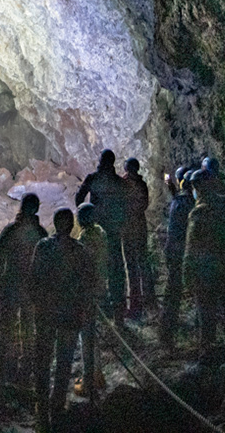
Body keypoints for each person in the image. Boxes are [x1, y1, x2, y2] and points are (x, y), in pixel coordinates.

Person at [31, 208, 93, 432]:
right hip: (69, 314)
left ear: (56, 223)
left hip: (47, 313)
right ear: (71, 225)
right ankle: (57, 404)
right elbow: (87, 283)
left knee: (43, 359)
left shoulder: (43, 247)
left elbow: (34, 279)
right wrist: (83, 309)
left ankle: (41, 406)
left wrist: (37, 305)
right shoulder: (80, 250)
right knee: (64, 361)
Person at [184, 164, 225, 364]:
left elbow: (191, 249)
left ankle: (207, 357)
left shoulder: (199, 214)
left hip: (206, 274)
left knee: (206, 316)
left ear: (198, 189)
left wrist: (188, 276)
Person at [0, 192, 48, 382]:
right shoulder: (41, 233)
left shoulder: (11, 230)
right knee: (28, 326)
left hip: (12, 283)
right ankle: (26, 366)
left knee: (6, 325)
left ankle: (1, 365)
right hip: (32, 287)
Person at [75, 149, 128, 324]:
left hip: (95, 230)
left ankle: (98, 310)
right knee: (116, 268)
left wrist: (88, 216)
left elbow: (79, 199)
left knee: (93, 267)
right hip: (113, 230)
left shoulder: (93, 178)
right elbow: (125, 205)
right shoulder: (119, 182)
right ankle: (118, 311)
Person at [74, 202, 108, 399]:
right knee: (92, 335)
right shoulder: (101, 233)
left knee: (86, 337)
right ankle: (97, 374)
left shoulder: (85, 239)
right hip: (100, 289)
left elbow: (83, 268)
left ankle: (89, 381)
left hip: (88, 293)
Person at [160, 163, 195, 349]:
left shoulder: (179, 203)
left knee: (172, 292)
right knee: (176, 292)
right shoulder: (189, 204)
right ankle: (168, 334)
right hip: (183, 253)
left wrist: (169, 185)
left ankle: (167, 332)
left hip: (175, 252)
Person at [122, 157, 154, 319]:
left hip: (128, 228)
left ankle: (135, 305)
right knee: (143, 262)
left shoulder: (123, 185)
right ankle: (149, 299)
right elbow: (144, 205)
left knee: (132, 266)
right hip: (140, 227)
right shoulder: (142, 184)